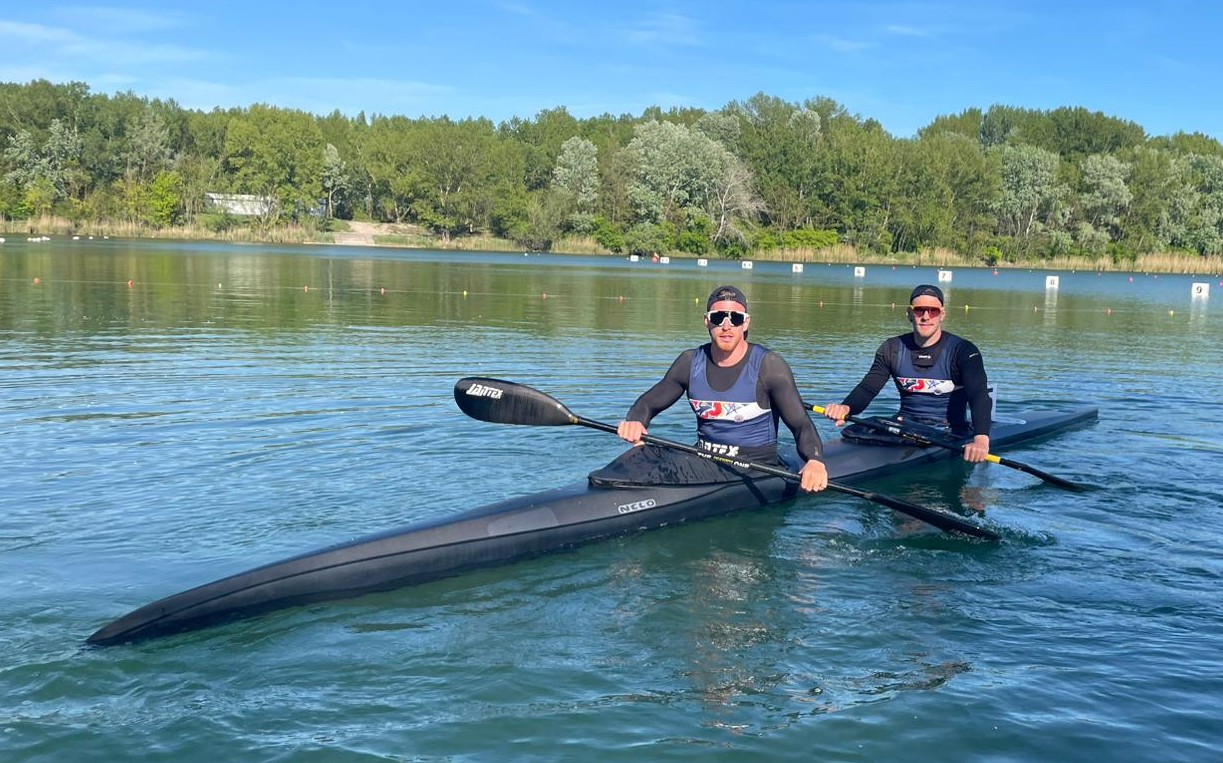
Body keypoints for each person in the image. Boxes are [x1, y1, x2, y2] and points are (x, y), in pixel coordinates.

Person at [615, 285, 829, 492]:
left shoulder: (769, 366)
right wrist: (635, 422)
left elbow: (801, 424)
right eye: (718, 318)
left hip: (754, 468)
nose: (727, 326)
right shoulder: (689, 362)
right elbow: (647, 403)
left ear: (745, 324)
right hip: (703, 458)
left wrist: (815, 460)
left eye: (735, 318)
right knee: (639, 455)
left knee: (666, 466)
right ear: (707, 321)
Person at [822, 284, 992, 462]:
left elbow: (978, 394)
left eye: (932, 311)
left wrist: (981, 439)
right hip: (903, 426)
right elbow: (868, 388)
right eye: (919, 311)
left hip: (950, 431)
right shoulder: (892, 348)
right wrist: (846, 407)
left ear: (942, 315)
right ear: (909, 314)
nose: (925, 317)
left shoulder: (963, 351)